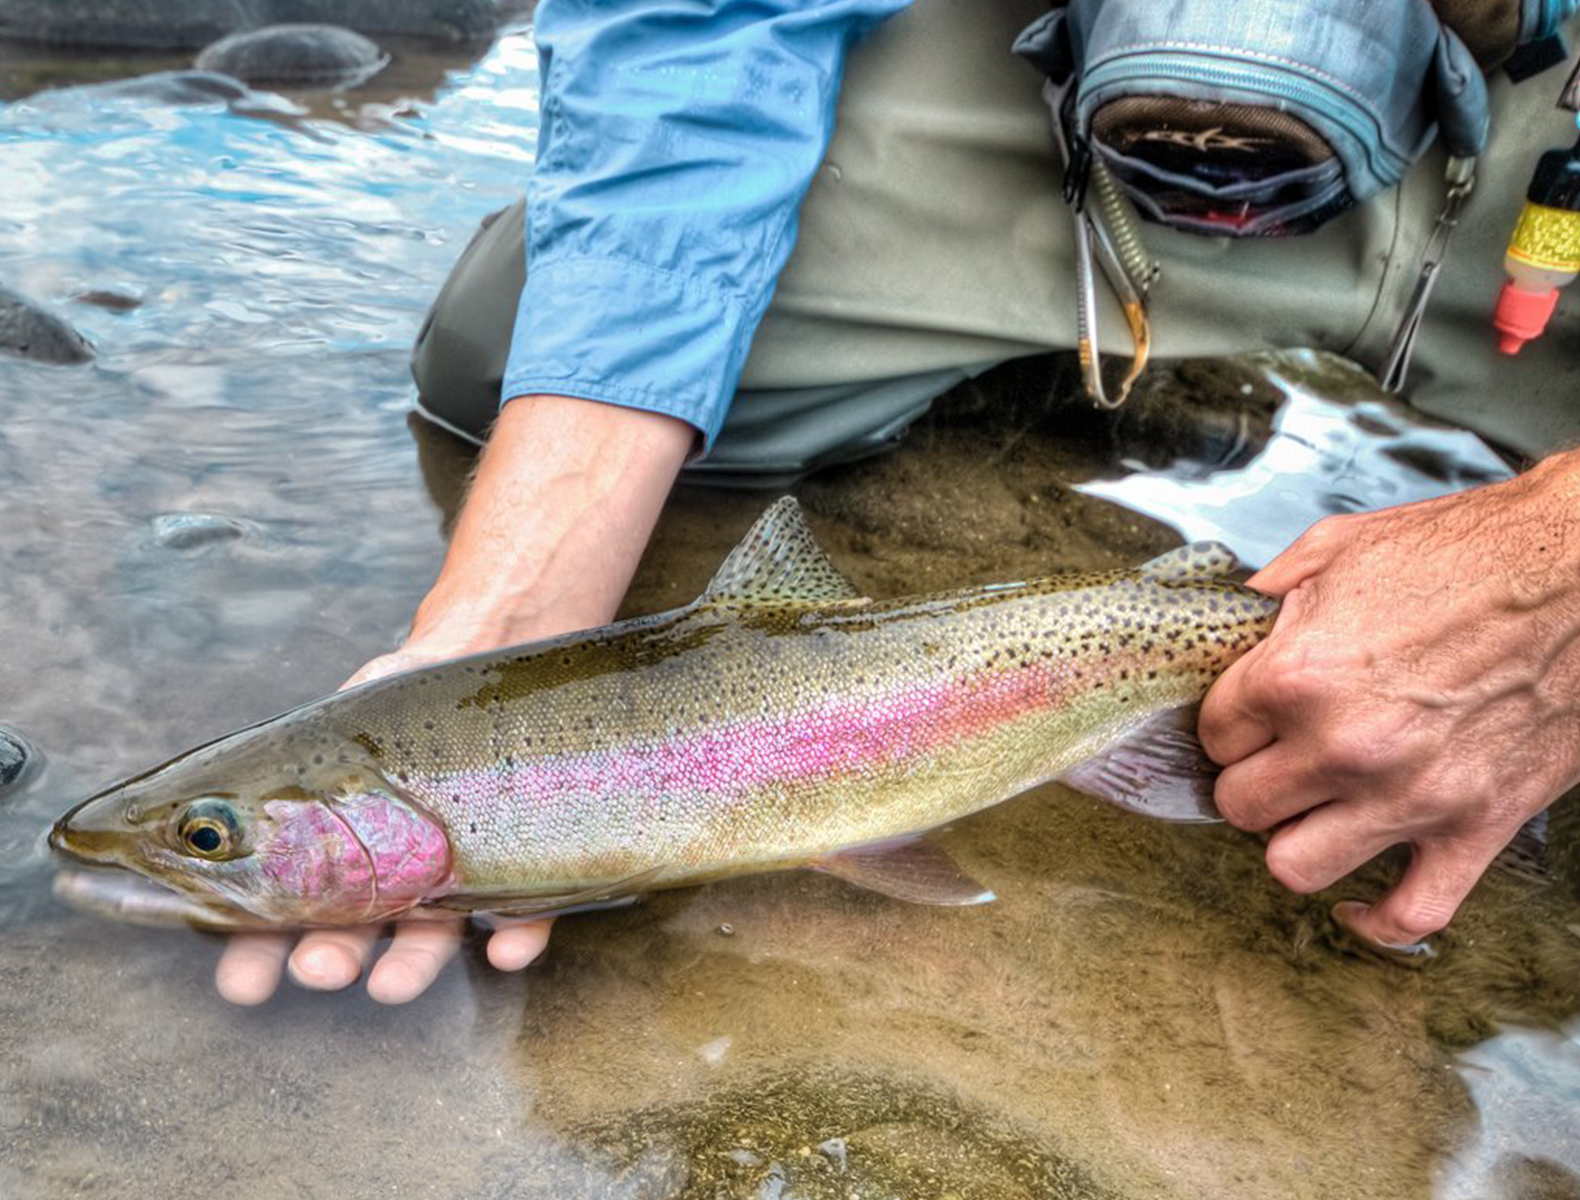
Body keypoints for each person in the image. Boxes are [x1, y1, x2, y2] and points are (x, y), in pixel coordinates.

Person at [216, 0, 1580, 1005]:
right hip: (1048, 59)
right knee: (506, 355)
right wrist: (520, 590)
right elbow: (698, 31)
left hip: (1543, 117)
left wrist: (1551, 574)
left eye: (214, 840)